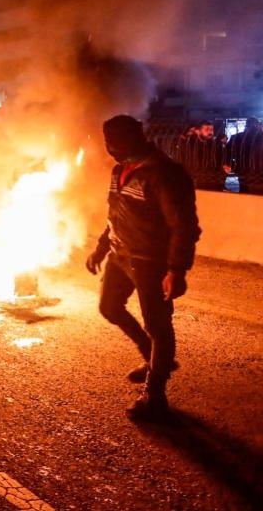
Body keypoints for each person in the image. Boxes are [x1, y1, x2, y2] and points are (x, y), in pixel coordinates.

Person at [86, 115, 200, 420]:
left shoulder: (165, 174)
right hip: (120, 256)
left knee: (159, 326)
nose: (109, 147)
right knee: (109, 307)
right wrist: (100, 248)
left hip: (152, 262)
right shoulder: (120, 170)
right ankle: (151, 357)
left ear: (133, 139)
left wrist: (176, 270)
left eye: (113, 141)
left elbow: (184, 226)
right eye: (108, 141)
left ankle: (155, 393)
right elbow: (116, 214)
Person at [174, 120, 227, 191]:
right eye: (207, 129)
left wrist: (225, 166)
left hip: (213, 180)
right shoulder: (190, 144)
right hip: (196, 179)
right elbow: (180, 145)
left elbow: (222, 157)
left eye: (211, 129)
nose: (210, 132)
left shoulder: (216, 144)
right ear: (198, 131)